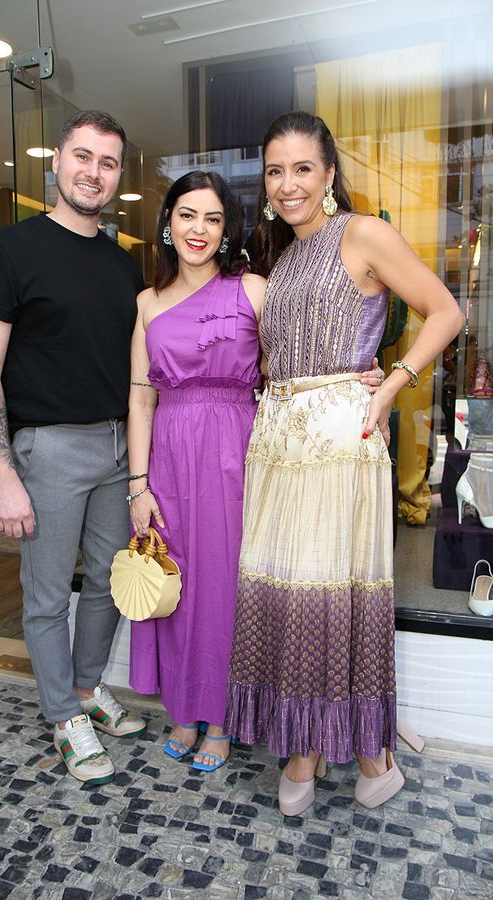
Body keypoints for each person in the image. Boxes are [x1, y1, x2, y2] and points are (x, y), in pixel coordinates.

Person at [225, 111, 464, 814]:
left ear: (329, 174)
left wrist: (394, 382)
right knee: (285, 590)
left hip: (339, 441)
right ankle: (321, 743)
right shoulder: (283, 257)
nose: (289, 183)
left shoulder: (362, 233)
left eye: (303, 168)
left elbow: (446, 312)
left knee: (330, 594)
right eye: (276, 171)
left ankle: (361, 749)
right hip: (278, 445)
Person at [126, 170, 382, 772]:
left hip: (241, 449)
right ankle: (184, 709)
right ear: (167, 222)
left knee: (225, 585)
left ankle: (222, 717)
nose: (199, 229)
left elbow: (295, 366)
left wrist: (358, 378)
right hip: (168, 455)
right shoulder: (145, 303)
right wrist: (138, 486)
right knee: (178, 578)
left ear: (226, 230)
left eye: (213, 219)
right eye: (188, 215)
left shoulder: (255, 291)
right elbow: (140, 400)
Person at [0, 110, 146, 785]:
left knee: (104, 583)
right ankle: (61, 714)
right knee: (46, 594)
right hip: (47, 450)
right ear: (57, 163)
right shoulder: (10, 250)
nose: (93, 171)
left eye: (107, 161)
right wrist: (2, 473)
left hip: (113, 447)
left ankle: (87, 689)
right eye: (82, 156)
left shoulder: (124, 266)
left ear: (117, 174)